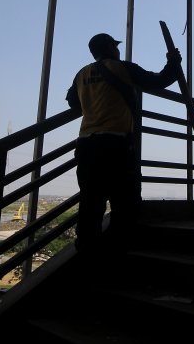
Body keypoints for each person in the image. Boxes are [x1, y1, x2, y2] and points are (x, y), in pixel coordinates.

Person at [66, 33, 181, 254]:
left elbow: (73, 103)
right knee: (124, 202)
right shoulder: (122, 68)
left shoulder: (81, 74)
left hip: (86, 146)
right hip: (114, 145)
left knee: (91, 204)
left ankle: (87, 257)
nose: (118, 50)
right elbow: (158, 81)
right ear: (109, 47)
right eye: (115, 46)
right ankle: (119, 253)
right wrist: (173, 63)